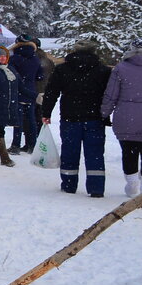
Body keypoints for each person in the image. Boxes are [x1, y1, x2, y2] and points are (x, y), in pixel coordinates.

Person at [41, 40, 112, 196]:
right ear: (93, 51)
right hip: (95, 117)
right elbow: (109, 95)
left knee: (69, 151)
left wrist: (46, 112)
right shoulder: (103, 70)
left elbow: (51, 92)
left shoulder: (62, 69)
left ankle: (68, 184)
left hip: (70, 117)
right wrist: (106, 114)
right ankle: (96, 188)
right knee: (95, 153)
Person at [100, 37, 142, 198]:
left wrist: (104, 113)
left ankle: (131, 183)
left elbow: (111, 94)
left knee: (129, 151)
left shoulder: (121, 68)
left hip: (126, 117)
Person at [7, 34, 44, 153]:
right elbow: (40, 76)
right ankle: (32, 145)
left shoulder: (14, 59)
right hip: (32, 91)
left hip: (17, 91)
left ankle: (15, 145)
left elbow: (10, 75)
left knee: (18, 120)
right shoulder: (35, 59)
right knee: (31, 119)